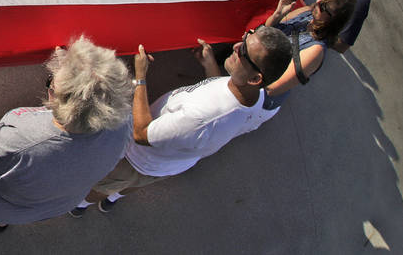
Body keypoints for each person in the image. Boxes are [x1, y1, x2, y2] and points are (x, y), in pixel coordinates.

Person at [79, 29, 292, 213]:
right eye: (246, 39)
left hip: (139, 159)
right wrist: (210, 67)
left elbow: (142, 133)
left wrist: (141, 76)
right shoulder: (252, 96)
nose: (236, 46)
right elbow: (223, 97)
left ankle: (80, 205)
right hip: (167, 163)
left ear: (255, 79)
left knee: (104, 185)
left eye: (243, 52)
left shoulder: (201, 118)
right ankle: (113, 200)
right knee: (136, 183)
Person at [0, 38, 132, 230]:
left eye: (51, 83)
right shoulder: (122, 122)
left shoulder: (20, 143)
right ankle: (2, 222)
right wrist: (76, 74)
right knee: (9, 213)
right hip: (52, 205)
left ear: (56, 97)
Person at [261, 0, 356, 108]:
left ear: (334, 21)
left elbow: (272, 89)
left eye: (324, 6)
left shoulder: (315, 51)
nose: (317, 2)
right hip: (254, 67)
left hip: (259, 95)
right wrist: (278, 14)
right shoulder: (307, 12)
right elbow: (267, 32)